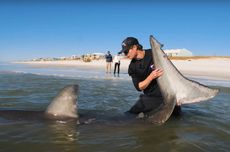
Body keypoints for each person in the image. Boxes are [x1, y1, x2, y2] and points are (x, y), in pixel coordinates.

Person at [119, 37, 164, 114]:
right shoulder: (132, 67)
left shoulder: (154, 53)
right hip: (151, 97)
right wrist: (151, 76)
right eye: (124, 53)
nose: (125, 55)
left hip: (167, 94)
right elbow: (139, 87)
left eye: (126, 52)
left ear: (134, 47)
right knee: (129, 114)